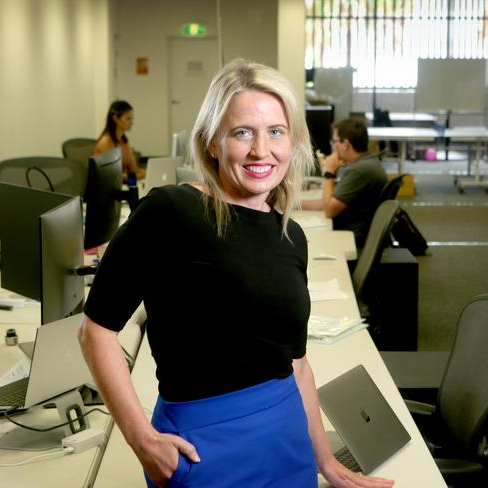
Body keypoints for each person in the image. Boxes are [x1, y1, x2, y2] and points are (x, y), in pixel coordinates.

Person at [78, 59, 393, 488]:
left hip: (287, 443)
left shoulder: (291, 237)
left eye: (276, 132)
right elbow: (95, 331)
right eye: (242, 132)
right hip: (202, 449)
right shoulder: (172, 211)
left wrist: (327, 462)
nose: (261, 150)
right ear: (211, 142)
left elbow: (297, 365)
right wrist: (141, 439)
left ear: (293, 141)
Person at [302, 118, 388, 248]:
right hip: (355, 232)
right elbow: (329, 202)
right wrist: (295, 204)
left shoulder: (360, 171)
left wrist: (329, 173)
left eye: (335, 141)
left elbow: (329, 210)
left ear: (346, 144)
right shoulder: (367, 162)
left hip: (352, 238)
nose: (332, 146)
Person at [95, 100, 146, 181]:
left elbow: (134, 170)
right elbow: (115, 177)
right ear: (115, 118)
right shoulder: (105, 142)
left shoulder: (124, 141)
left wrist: (146, 173)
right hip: (107, 190)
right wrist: (141, 175)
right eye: (128, 118)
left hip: (122, 186)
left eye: (132, 118)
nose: (132, 122)